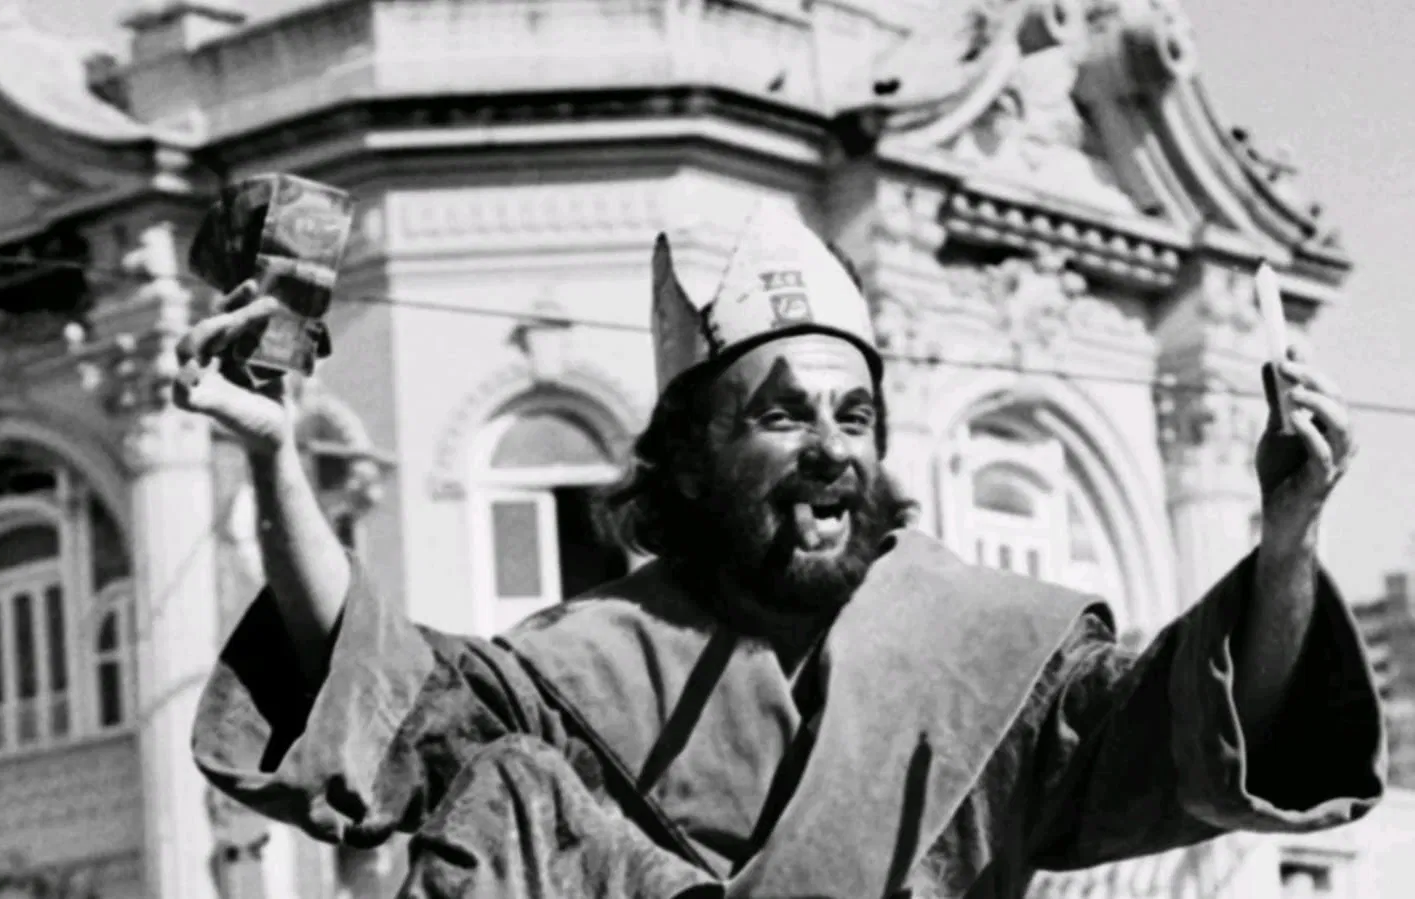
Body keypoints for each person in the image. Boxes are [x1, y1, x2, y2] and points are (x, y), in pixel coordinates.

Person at [178, 202, 1384, 899]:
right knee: (513, 788)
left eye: (853, 416)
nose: (828, 447)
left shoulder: (994, 653)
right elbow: (375, 695)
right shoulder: (579, 668)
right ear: (687, 459)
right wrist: (275, 456)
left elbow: (1207, 723)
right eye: (781, 413)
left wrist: (1287, 539)